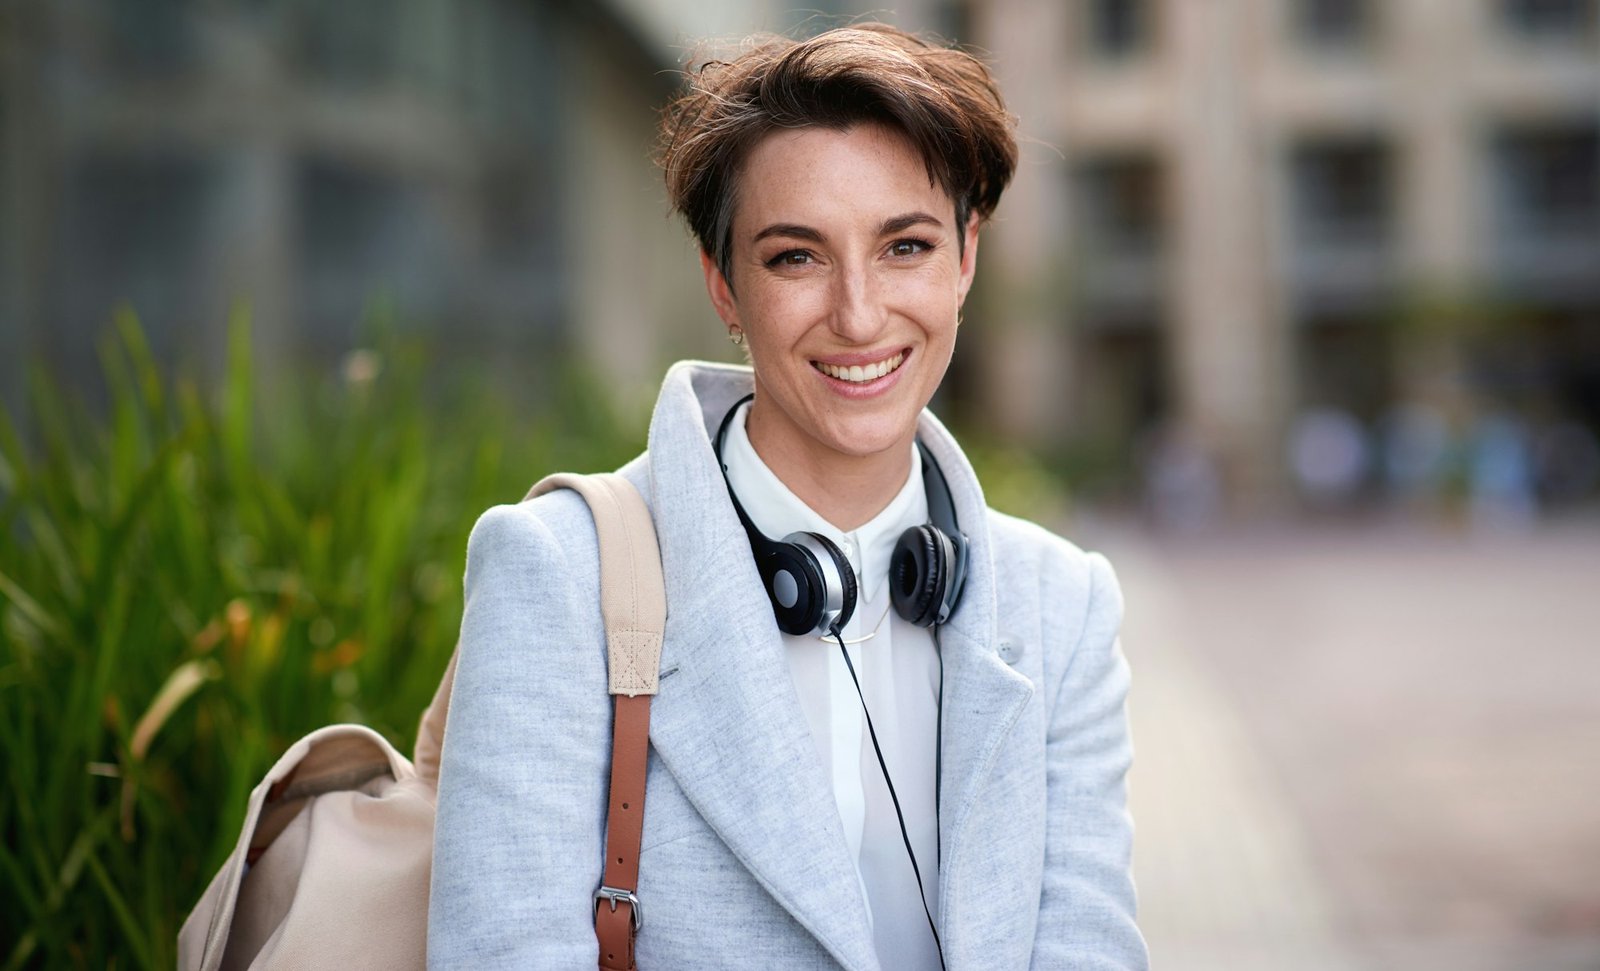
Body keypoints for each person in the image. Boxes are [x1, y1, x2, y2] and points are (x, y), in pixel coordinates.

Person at [428, 23, 1145, 970]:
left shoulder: (1062, 604)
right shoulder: (558, 575)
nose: (857, 313)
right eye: (795, 257)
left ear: (965, 258)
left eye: (906, 245)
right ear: (723, 285)